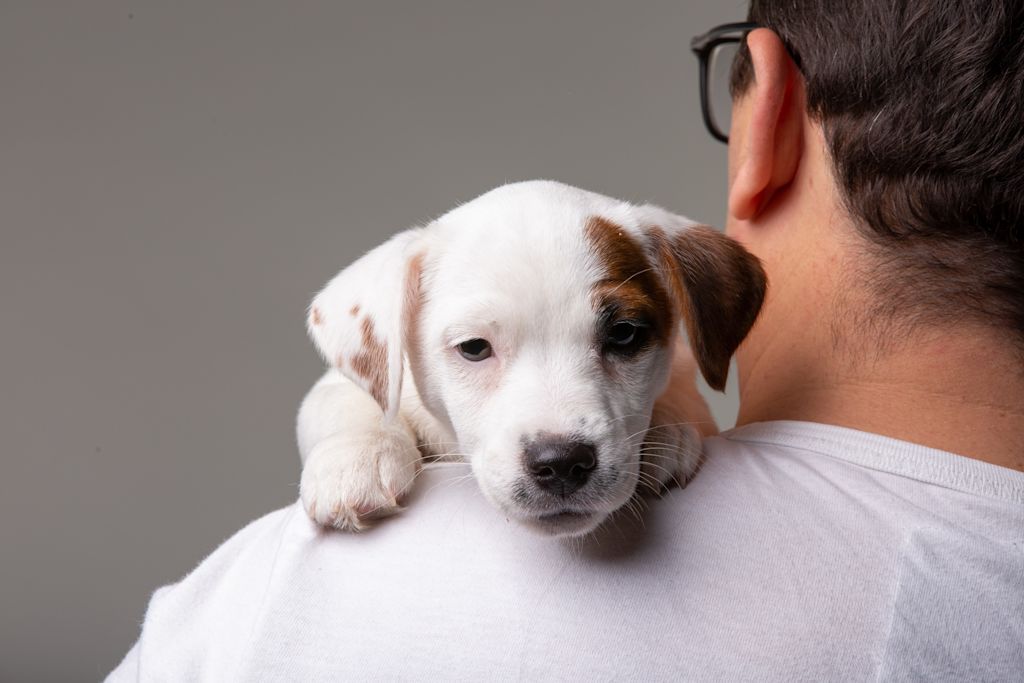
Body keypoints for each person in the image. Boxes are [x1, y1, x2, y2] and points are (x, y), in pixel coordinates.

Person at [108, 1, 1024, 680]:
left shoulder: (268, 601)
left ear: (770, 112)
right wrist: (361, 432)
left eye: (621, 336)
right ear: (382, 346)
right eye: (476, 350)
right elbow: (343, 405)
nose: (559, 437)